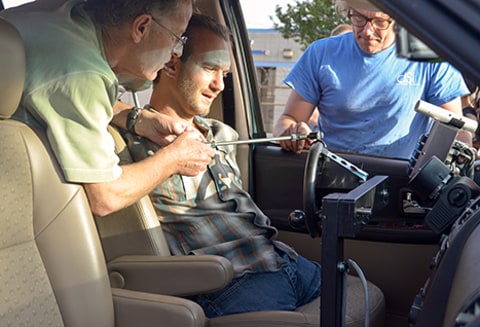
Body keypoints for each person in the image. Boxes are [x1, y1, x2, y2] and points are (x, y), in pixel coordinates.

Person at [122, 13, 321, 318]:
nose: (219, 85)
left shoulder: (223, 134)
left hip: (284, 261)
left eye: (225, 74)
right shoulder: (130, 141)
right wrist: (138, 122)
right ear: (171, 63)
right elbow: (90, 100)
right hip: (232, 282)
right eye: (210, 68)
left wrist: (289, 135)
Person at [1, 0, 216, 217]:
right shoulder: (83, 73)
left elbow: (57, 90)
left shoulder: (61, 15)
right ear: (141, 27)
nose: (176, 52)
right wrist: (174, 159)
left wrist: (138, 119)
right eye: (176, 38)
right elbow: (105, 197)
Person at [273, 0, 471, 159]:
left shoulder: (429, 59)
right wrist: (291, 132)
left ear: (398, 19)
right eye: (358, 18)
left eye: (379, 22)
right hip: (332, 175)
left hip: (401, 180)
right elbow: (288, 120)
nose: (367, 31)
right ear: (347, 11)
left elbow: (456, 130)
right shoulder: (321, 54)